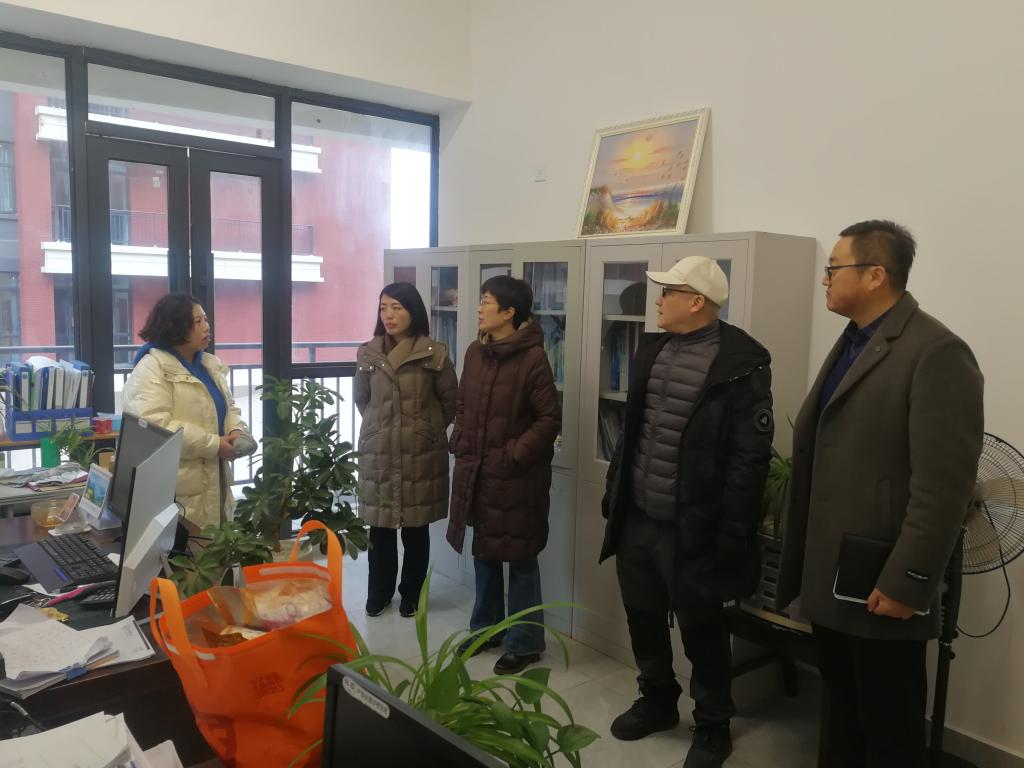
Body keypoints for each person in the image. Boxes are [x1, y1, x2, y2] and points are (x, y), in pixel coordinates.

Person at [775, 220, 984, 768]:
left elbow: (944, 486)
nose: (825, 279)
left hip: (880, 581)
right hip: (833, 575)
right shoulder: (853, 341)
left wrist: (908, 582)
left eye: (833, 268)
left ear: (875, 275)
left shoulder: (936, 351)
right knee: (842, 711)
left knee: (890, 728)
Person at [600, 256, 773, 768]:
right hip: (638, 518)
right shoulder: (650, 351)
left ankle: (713, 723)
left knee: (703, 630)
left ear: (697, 302)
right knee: (643, 616)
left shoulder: (741, 363)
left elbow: (750, 459)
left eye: (668, 292)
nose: (658, 301)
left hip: (695, 527)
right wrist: (615, 493)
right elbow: (632, 432)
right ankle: (657, 699)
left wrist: (732, 533)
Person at [447, 275, 561, 675]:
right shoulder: (475, 352)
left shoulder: (533, 359)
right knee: (485, 552)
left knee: (521, 559)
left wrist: (513, 455)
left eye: (487, 301)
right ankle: (486, 629)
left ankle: (525, 643)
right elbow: (463, 405)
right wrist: (460, 439)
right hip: (478, 471)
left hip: (516, 479)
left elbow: (549, 420)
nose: (479, 307)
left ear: (510, 312)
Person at [353, 282, 458, 618]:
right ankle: (379, 593)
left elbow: (450, 402)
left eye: (397, 307)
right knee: (380, 527)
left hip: (418, 453)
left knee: (416, 528)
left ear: (413, 312)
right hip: (380, 451)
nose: (389, 315)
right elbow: (362, 400)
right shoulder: (368, 353)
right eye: (384, 307)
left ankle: (411, 594)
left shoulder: (434, 353)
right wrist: (381, 428)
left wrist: (424, 430)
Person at [122, 293, 250, 529]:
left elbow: (229, 407)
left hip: (213, 480)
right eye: (197, 322)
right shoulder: (151, 369)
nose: (206, 327)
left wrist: (235, 430)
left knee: (213, 545)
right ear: (175, 326)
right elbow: (156, 427)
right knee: (189, 547)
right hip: (178, 489)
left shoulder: (208, 365)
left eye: (206, 320)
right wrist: (214, 445)